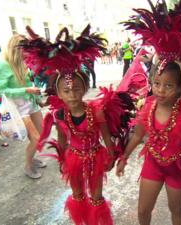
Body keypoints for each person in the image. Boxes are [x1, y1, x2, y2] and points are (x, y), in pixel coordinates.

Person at [22, 25, 134, 225]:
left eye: (76, 89)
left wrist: (111, 155)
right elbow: (63, 139)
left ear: (84, 89)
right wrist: (63, 160)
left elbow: (107, 138)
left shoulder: (96, 111)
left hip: (96, 156)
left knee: (96, 195)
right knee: (78, 193)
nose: (72, 95)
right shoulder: (59, 114)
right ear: (58, 93)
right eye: (66, 91)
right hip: (73, 157)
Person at [117, 1, 181, 224]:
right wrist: (124, 156)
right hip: (153, 163)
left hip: (177, 168)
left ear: (180, 88)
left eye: (168, 86)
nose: (160, 90)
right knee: (143, 211)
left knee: (175, 211)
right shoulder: (149, 105)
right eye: (157, 83)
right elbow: (139, 134)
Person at [0, 34, 45, 179]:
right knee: (36, 138)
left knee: (41, 134)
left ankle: (32, 158)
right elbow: (1, 91)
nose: (28, 54)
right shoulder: (1, 64)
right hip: (18, 107)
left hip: (31, 103)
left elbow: (29, 83)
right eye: (26, 51)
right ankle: (28, 166)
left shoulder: (23, 61)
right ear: (17, 49)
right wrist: (26, 90)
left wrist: (39, 99)